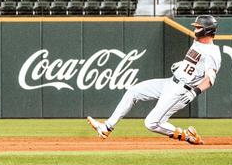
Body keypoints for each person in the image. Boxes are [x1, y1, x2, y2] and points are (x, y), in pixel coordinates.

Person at [87, 15, 221, 145]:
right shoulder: (197, 42)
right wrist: (181, 65)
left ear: (207, 30)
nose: (195, 30)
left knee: (151, 123)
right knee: (133, 91)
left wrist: (194, 92)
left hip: (181, 91)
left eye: (198, 27)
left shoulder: (212, 52)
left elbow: (210, 79)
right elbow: (196, 64)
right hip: (170, 82)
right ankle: (107, 127)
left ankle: (187, 136)